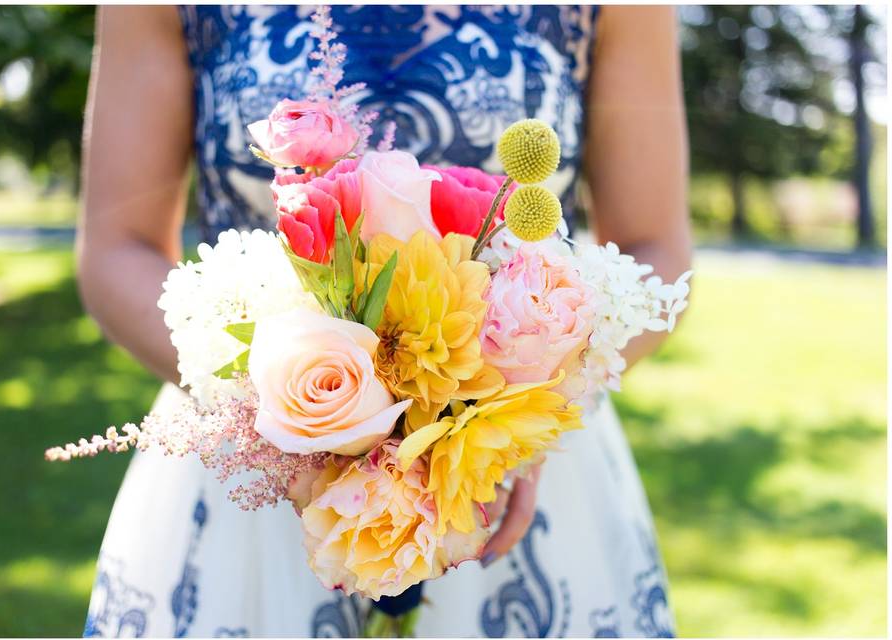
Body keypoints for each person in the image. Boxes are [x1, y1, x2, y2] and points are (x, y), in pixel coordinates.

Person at [78, 5, 691, 637]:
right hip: (248, 465)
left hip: (517, 480)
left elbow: (657, 254)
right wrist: (294, 413)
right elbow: (117, 249)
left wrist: (501, 426)